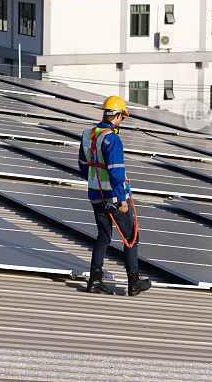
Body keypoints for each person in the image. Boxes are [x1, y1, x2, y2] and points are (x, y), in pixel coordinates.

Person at [78, 95, 151, 296]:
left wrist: (95, 184)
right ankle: (134, 282)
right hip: (113, 196)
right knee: (131, 237)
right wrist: (122, 199)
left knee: (103, 236)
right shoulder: (112, 139)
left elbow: (83, 166)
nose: (122, 121)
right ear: (117, 116)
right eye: (122, 117)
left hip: (94, 194)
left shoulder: (88, 135)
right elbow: (116, 170)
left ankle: (95, 280)